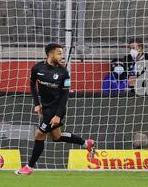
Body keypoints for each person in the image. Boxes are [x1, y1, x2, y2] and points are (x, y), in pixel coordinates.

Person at [15, 43, 96, 175]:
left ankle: (29, 167)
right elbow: (32, 85)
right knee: (57, 137)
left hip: (57, 109)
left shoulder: (64, 73)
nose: (61, 55)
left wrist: (58, 115)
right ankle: (86, 143)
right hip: (46, 107)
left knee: (39, 134)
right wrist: (37, 104)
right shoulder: (37, 68)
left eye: (62, 53)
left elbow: (65, 96)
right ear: (50, 54)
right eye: (59, 53)